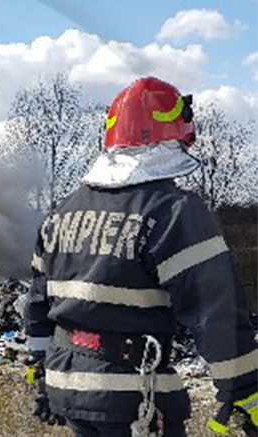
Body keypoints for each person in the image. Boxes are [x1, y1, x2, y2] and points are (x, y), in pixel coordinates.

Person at [24, 77, 258, 437]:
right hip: (134, 399)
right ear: (177, 134)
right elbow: (216, 311)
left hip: (67, 385)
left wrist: (40, 368)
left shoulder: (62, 211)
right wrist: (244, 390)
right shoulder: (175, 210)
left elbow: (38, 302)